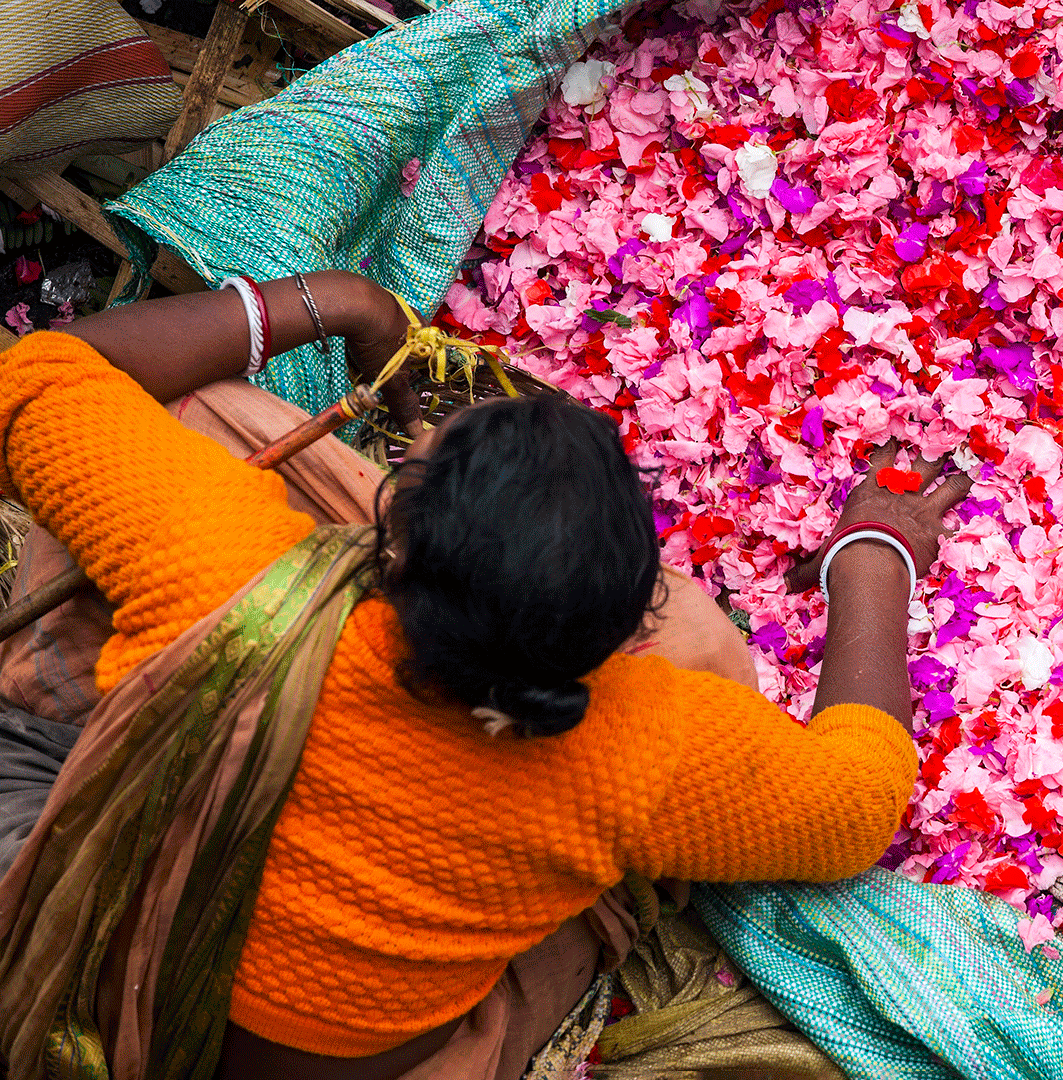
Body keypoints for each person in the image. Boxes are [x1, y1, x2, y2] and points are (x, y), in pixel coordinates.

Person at [0, 268, 972, 1079]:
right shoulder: (645, 745)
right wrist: (877, 553)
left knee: (214, 415)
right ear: (630, 629)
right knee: (713, 645)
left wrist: (344, 303)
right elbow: (860, 803)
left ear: (388, 535)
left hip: (102, 962)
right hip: (363, 1061)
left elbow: (36, 372)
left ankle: (62, 699)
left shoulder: (224, 566)